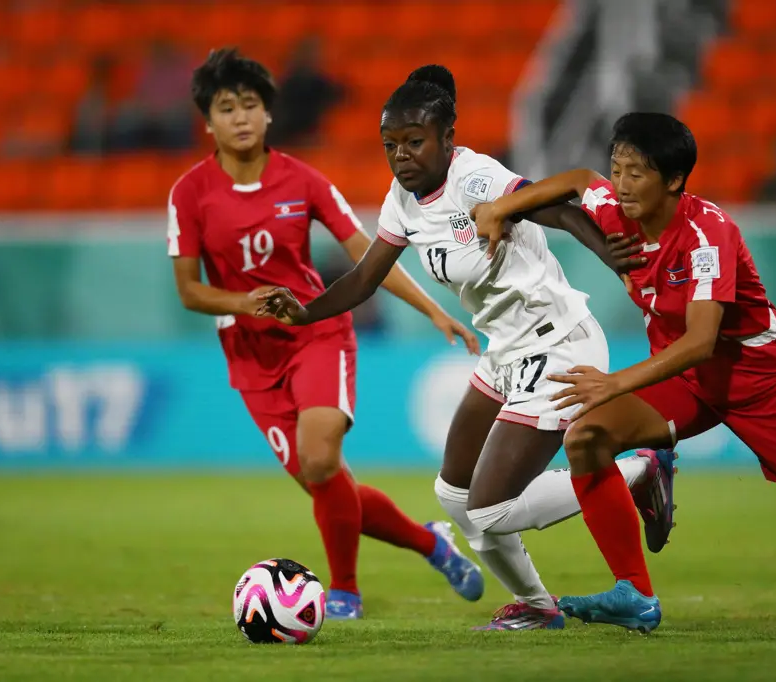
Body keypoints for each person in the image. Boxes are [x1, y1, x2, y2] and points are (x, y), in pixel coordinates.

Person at [470, 112, 776, 636]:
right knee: (587, 436)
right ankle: (635, 593)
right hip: (688, 382)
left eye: (636, 174)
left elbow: (701, 341)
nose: (620, 186)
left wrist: (614, 383)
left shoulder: (707, 235)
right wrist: (500, 208)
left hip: (760, 383)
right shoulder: (617, 212)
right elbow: (580, 181)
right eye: (618, 169)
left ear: (673, 181)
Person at [259, 65, 676, 631]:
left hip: (557, 346)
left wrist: (616, 260)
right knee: (453, 493)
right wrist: (305, 311)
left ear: (447, 139)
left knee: (489, 509)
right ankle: (537, 607)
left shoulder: (475, 178)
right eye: (390, 145)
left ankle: (637, 470)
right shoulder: (402, 201)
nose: (401, 155)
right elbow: (365, 277)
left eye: (414, 142)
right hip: (505, 352)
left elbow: (555, 208)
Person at [167, 48, 486, 621]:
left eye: (250, 105)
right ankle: (432, 542)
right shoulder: (189, 194)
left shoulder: (303, 180)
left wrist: (432, 311)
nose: (240, 117)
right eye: (225, 107)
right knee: (327, 483)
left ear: (268, 115)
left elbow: (366, 253)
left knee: (320, 460)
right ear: (207, 121)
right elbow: (190, 289)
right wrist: (245, 303)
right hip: (249, 353)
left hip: (316, 333)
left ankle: (345, 593)